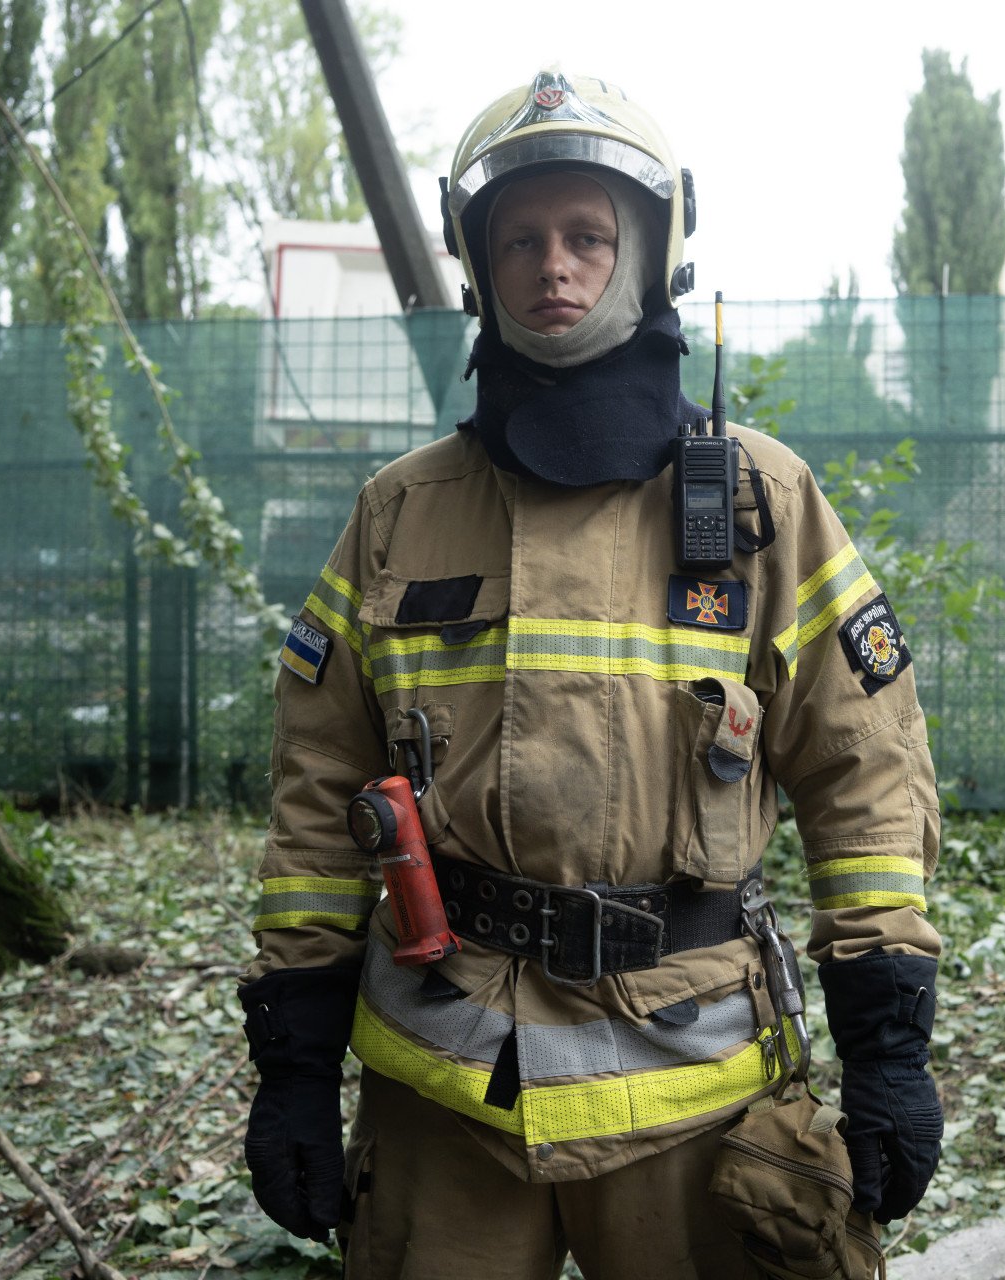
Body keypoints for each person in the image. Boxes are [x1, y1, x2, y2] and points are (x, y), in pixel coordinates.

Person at [237, 70, 943, 1280]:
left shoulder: (765, 503)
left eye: (586, 236)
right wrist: (293, 1069)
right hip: (443, 1092)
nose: (551, 267)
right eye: (519, 238)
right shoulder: (400, 513)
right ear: (477, 263)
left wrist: (886, 1047)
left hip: (695, 1091)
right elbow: (318, 793)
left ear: (651, 252)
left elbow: (865, 775)